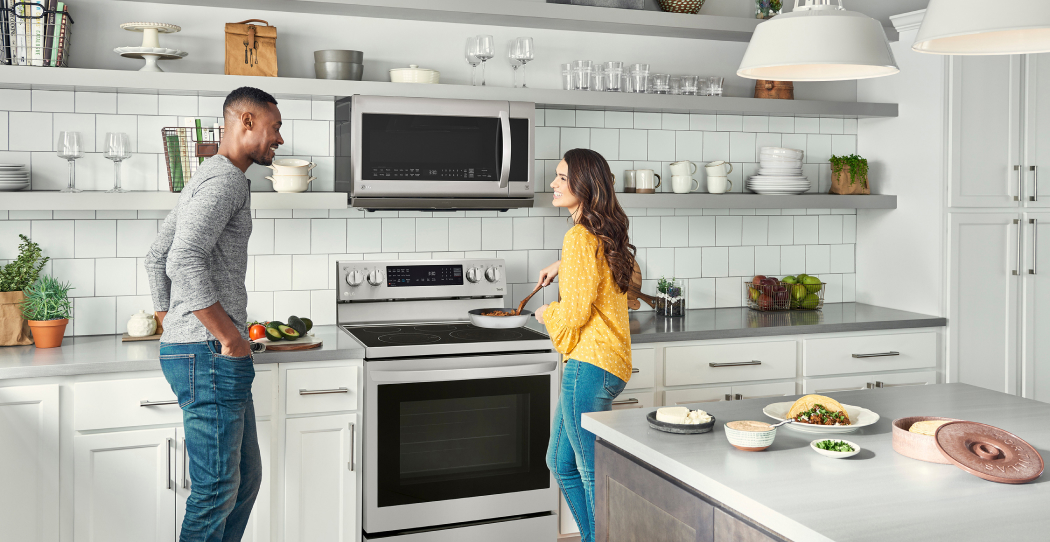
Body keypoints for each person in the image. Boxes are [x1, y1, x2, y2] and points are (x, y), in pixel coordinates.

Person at [146, 86, 284, 542]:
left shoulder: (209, 175)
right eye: (274, 127)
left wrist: (172, 322)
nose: (279, 139)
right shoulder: (224, 180)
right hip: (210, 353)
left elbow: (156, 254)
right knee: (218, 489)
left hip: (200, 349)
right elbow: (181, 258)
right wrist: (228, 336)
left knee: (242, 481)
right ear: (246, 121)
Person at [535, 148, 636, 542]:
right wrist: (564, 264)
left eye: (562, 178)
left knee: (590, 468)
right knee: (559, 461)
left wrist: (547, 315)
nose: (553, 184)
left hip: (588, 367)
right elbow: (605, 271)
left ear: (584, 184)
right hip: (609, 365)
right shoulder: (603, 233)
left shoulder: (579, 237)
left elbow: (574, 312)